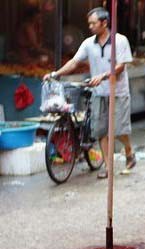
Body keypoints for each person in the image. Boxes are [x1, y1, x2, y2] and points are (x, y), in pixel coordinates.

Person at [44, 7, 135, 179]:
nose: (90, 26)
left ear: (104, 23)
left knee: (118, 130)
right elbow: (74, 62)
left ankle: (129, 151)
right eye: (89, 23)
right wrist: (56, 74)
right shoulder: (88, 43)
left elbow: (121, 67)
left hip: (118, 92)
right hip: (98, 92)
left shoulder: (120, 41)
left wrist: (103, 76)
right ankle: (109, 168)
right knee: (101, 131)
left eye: (94, 23)